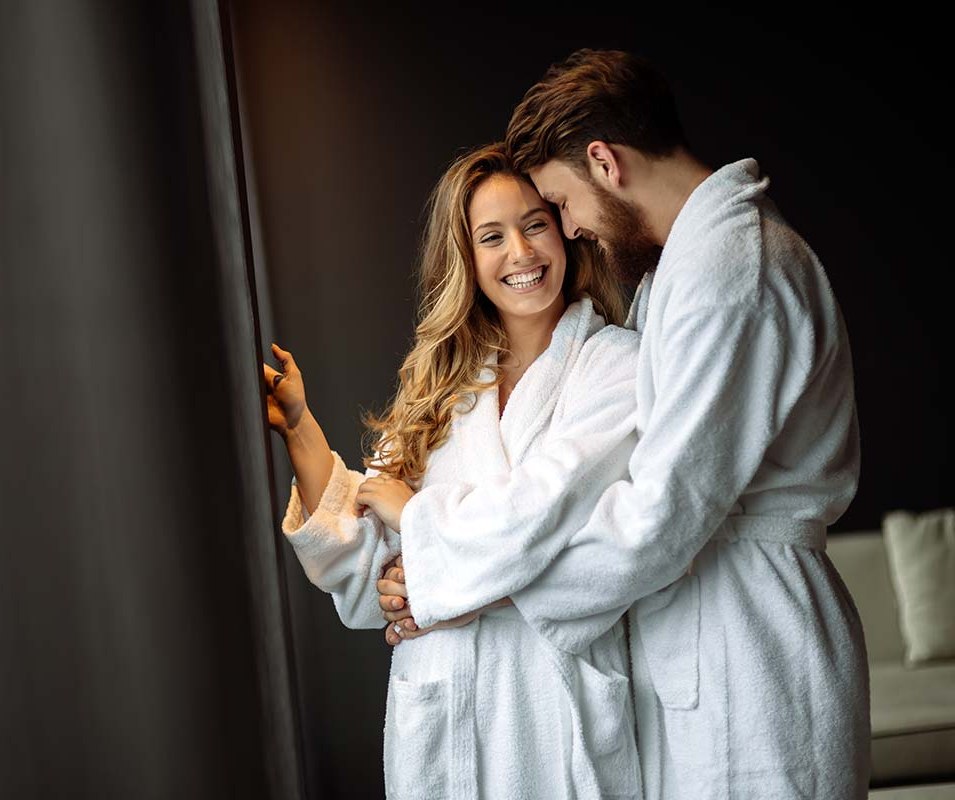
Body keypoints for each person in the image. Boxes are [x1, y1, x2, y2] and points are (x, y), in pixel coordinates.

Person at [376, 49, 870, 800]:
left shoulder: (730, 271)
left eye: (559, 202)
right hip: (705, 633)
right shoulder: (685, 269)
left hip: (754, 641)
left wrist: (475, 586)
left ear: (604, 163)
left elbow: (661, 514)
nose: (570, 228)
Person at [264, 141, 648, 799]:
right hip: (446, 712)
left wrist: (423, 535)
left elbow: (545, 515)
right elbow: (367, 570)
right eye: (491, 236)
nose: (521, 253)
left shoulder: (613, 365)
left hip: (550, 708)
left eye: (535, 224)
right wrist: (299, 428)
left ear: (564, 230)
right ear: (465, 258)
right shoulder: (441, 388)